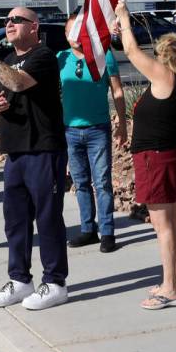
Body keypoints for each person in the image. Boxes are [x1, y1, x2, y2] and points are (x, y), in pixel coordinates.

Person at [0, 7, 69, 311]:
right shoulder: (8, 59)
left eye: (16, 20)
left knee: (47, 218)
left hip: (43, 149)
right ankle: (20, 279)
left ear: (33, 27)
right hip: (16, 151)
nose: (8, 24)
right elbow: (9, 94)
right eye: (7, 20)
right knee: (16, 220)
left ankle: (56, 282)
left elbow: (18, 83)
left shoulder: (43, 56)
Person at [112, 0, 176, 310]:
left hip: (155, 158)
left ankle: (169, 290)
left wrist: (123, 18)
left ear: (165, 55)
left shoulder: (165, 77)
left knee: (163, 226)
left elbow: (132, 53)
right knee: (175, 220)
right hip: (171, 154)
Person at [58, 14, 126, 253]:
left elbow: (117, 92)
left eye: (79, 30)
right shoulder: (61, 59)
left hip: (98, 129)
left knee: (103, 183)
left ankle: (107, 232)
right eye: (70, 32)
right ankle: (88, 229)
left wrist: (122, 125)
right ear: (66, 35)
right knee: (80, 183)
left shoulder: (104, 55)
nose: (75, 36)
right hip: (70, 131)